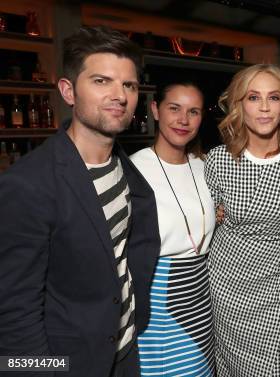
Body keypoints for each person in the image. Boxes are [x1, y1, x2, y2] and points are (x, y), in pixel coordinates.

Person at [0, 26, 159, 376]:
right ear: (68, 91)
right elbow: (13, 309)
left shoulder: (124, 167)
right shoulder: (28, 184)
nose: (120, 95)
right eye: (102, 81)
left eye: (129, 85)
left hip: (124, 351)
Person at [203, 64, 280, 376]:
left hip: (275, 287)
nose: (264, 107)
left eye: (273, 97)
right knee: (227, 366)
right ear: (240, 105)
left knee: (273, 368)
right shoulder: (218, 159)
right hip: (225, 283)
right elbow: (205, 218)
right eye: (254, 97)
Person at [130, 81, 215, 375]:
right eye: (174, 108)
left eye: (193, 111)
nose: (183, 120)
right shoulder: (133, 170)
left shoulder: (205, 168)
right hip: (159, 297)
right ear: (155, 110)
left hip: (202, 295)